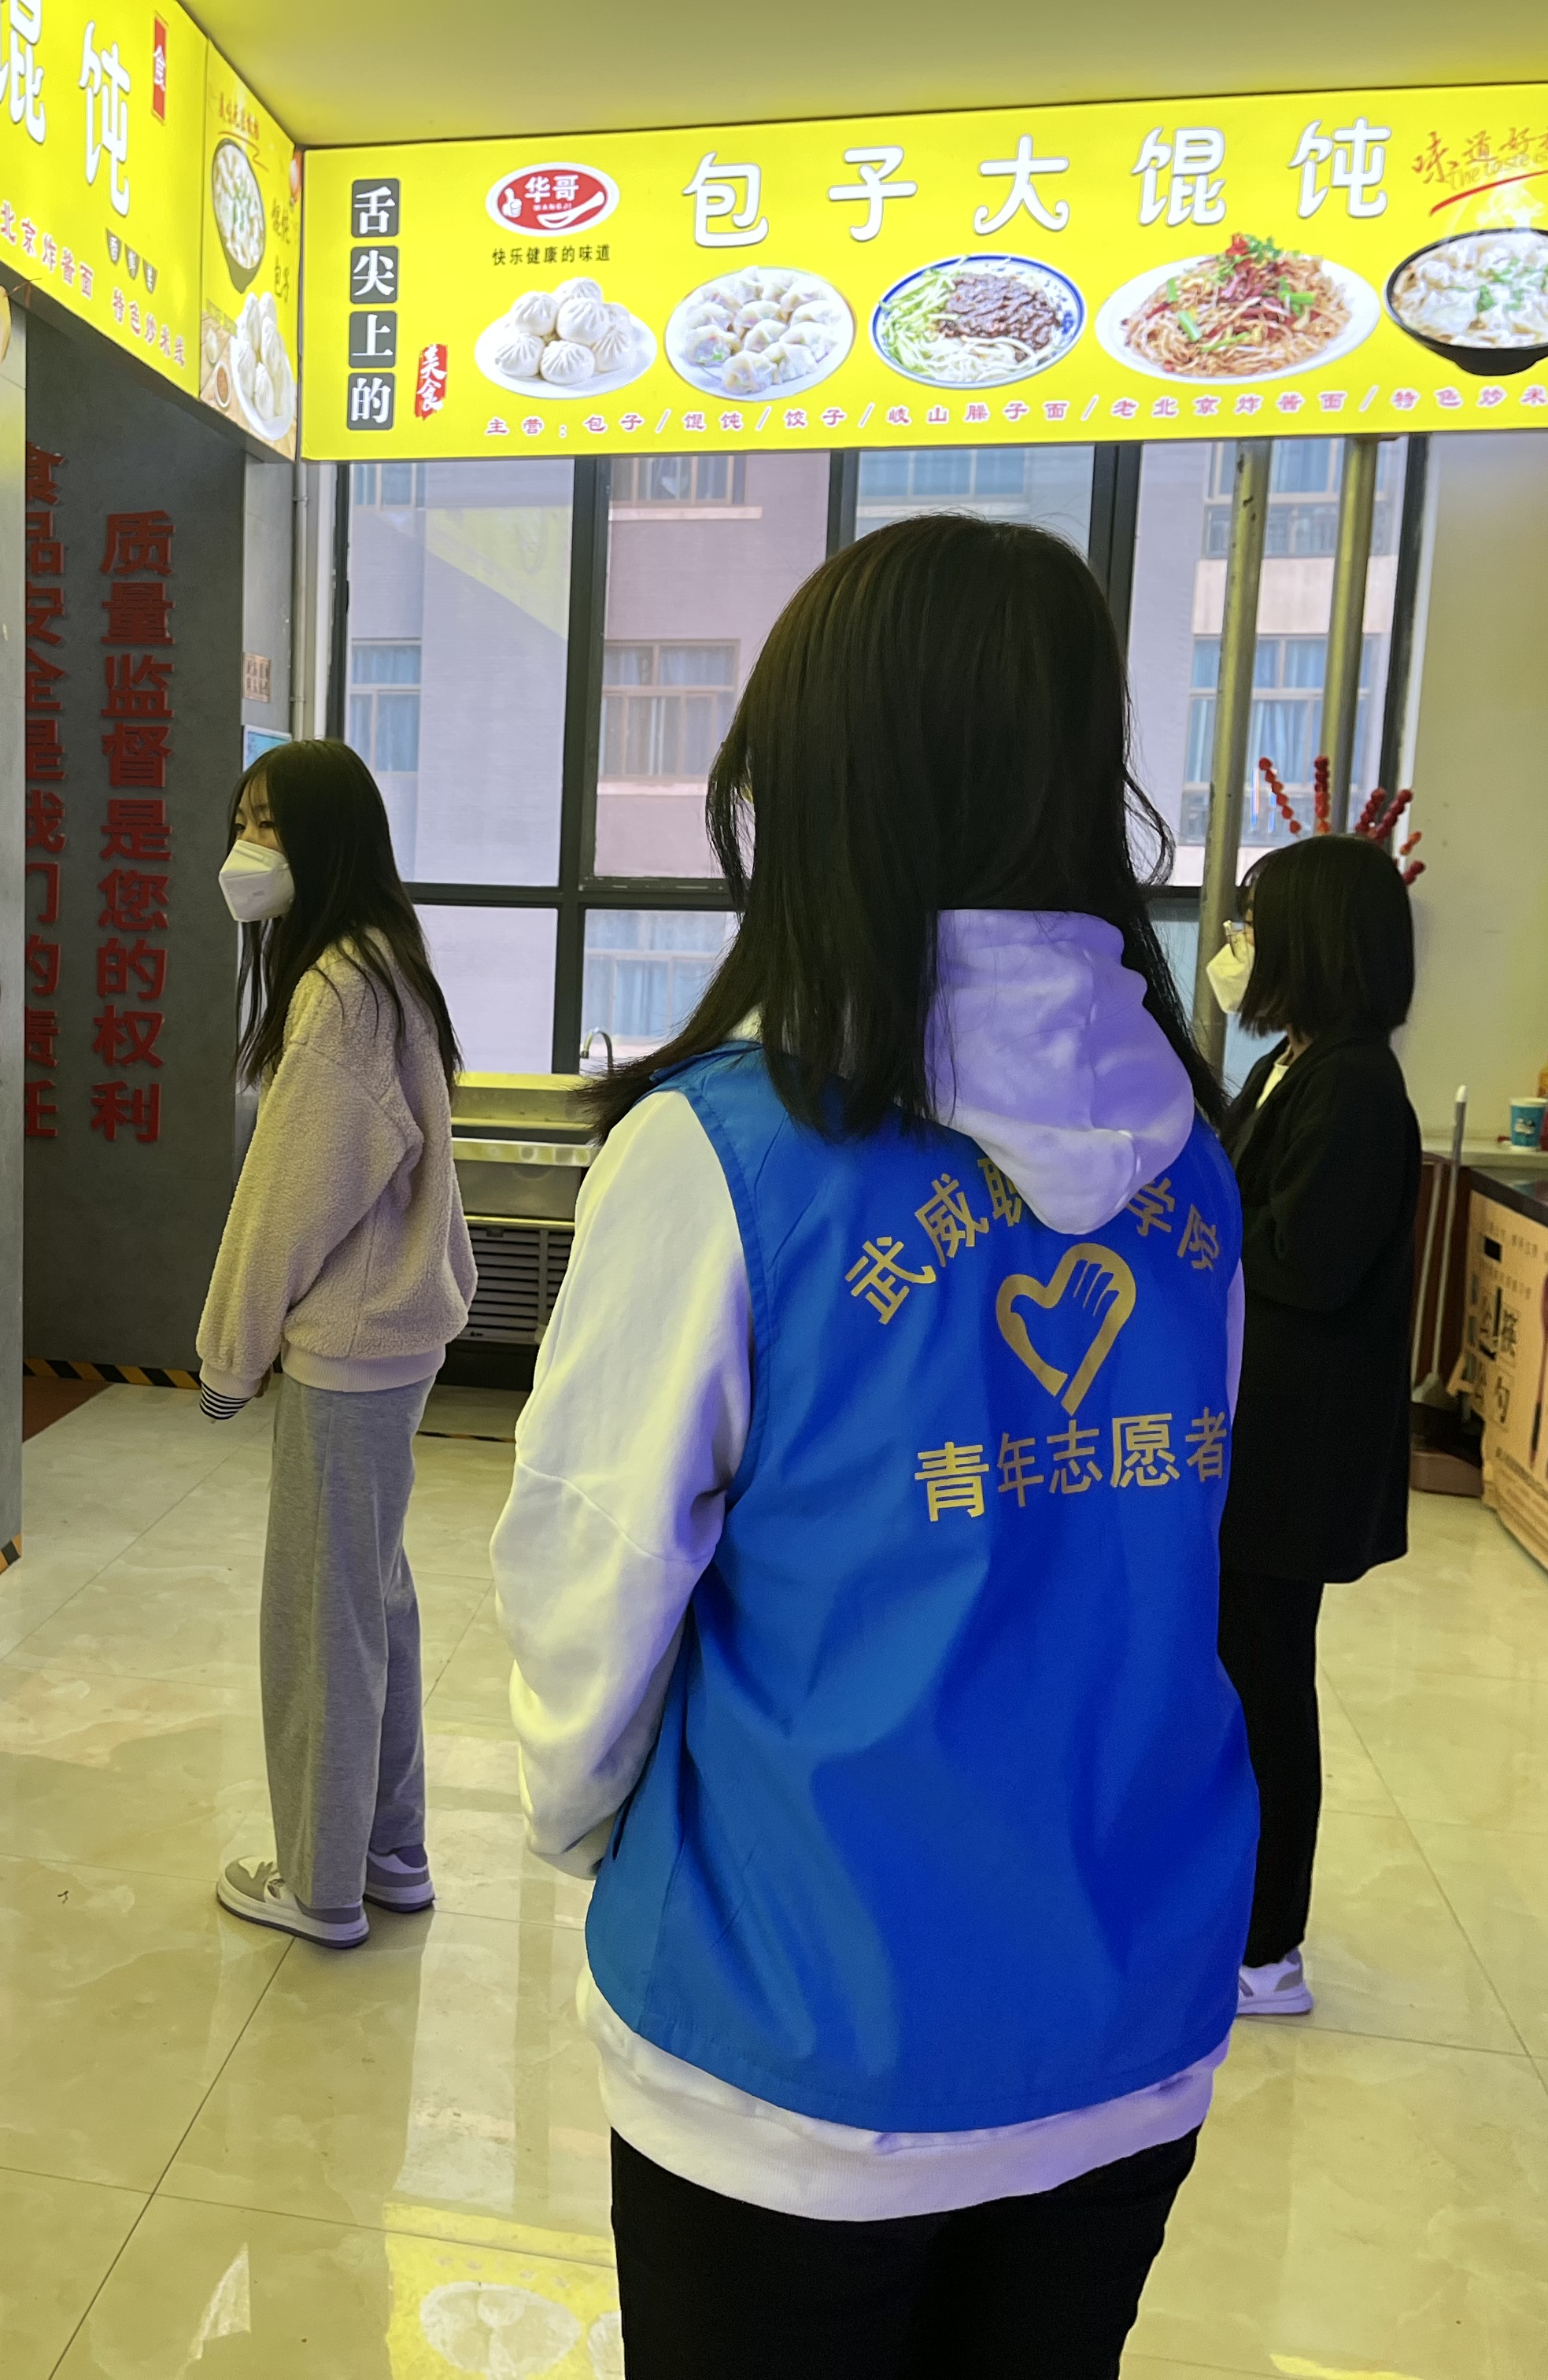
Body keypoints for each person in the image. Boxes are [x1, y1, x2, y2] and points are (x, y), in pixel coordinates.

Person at [495, 515, 1255, 2375]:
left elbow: (593, 1579)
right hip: (1123, 2013)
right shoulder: (1196, 1167)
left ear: (818, 793)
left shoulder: (724, 1158)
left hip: (794, 2039)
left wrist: (589, 1829)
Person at [196, 739, 474, 1949]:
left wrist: (227, 1353)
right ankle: (387, 1853)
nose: (248, 849)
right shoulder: (385, 964)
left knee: (322, 1619)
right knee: (373, 1603)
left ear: (328, 838)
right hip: (395, 1338)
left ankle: (319, 1884)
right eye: (244, 820)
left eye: (271, 825)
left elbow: (286, 1199)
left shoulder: (338, 990)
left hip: (350, 1344)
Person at [1205, 834, 1422, 2021]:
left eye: (1256, 923)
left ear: (1315, 941)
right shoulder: (1294, 1063)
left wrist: (1196, 1226)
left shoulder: (1353, 1086)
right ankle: (1238, 1917)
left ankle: (1267, 1948)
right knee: (1243, 1675)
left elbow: (1307, 1260)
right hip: (1258, 1431)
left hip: (1297, 1447)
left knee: (1267, 1687)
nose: (1239, 946)